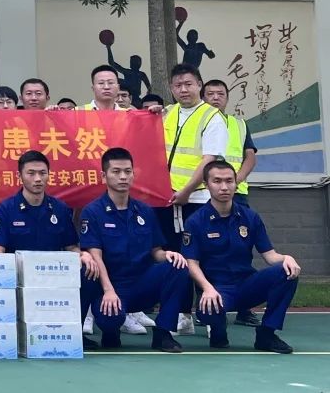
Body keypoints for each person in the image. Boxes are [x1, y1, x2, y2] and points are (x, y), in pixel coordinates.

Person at [182, 161, 300, 353]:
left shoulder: (250, 217)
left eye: (229, 181)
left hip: (247, 285)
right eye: (217, 181)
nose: (224, 187)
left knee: (286, 272)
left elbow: (270, 256)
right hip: (217, 290)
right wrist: (207, 289)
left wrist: (287, 258)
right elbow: (191, 263)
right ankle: (218, 332)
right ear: (206, 184)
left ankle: (266, 334)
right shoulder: (195, 221)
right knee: (208, 310)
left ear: (236, 183)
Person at [0, 150, 100, 350]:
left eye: (42, 173)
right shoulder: (6, 209)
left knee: (88, 270)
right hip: (19, 279)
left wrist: (83, 255)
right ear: (20, 176)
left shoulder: (59, 209)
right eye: (31, 173)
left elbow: (71, 246)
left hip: (53, 277)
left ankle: (74, 331)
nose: (38, 179)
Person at [80, 148, 188, 352]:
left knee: (178, 266)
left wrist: (167, 255)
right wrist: (108, 291)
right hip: (111, 287)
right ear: (104, 176)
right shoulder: (93, 211)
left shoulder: (145, 211)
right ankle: (111, 332)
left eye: (127, 171)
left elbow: (156, 251)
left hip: (141, 284)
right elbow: (96, 256)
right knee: (109, 315)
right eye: (116, 171)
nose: (123, 176)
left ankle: (163, 333)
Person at [151, 63, 227, 335]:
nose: (183, 90)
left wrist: (186, 190)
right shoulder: (167, 113)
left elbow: (209, 160)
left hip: (196, 200)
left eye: (188, 84)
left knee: (203, 257)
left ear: (199, 85)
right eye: (178, 85)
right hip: (167, 200)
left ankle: (211, 315)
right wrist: (150, 114)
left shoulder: (212, 117)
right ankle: (182, 315)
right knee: (174, 257)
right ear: (171, 88)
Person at [202, 78, 260, 326]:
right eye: (210, 94)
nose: (216, 98)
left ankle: (244, 308)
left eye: (220, 94)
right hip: (203, 193)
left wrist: (233, 182)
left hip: (237, 195)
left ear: (227, 98)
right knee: (205, 251)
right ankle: (206, 303)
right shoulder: (198, 121)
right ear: (203, 97)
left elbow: (250, 158)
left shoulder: (239, 124)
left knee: (241, 250)